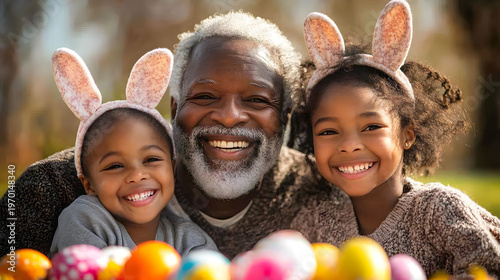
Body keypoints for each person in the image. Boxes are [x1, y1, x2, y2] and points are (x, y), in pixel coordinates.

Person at [0, 12, 321, 258]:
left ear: (284, 119)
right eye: (205, 96)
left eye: (256, 100)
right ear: (173, 108)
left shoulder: (317, 191)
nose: (228, 116)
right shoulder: (50, 189)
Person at [291, 1, 500, 278]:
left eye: (371, 127)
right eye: (329, 132)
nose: (349, 144)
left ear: (407, 135)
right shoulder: (315, 222)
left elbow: (489, 268)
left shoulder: (439, 210)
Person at [48, 47, 216, 256]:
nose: (137, 175)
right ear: (89, 184)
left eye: (151, 159)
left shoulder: (189, 239)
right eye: (115, 166)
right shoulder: (83, 220)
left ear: (172, 168)